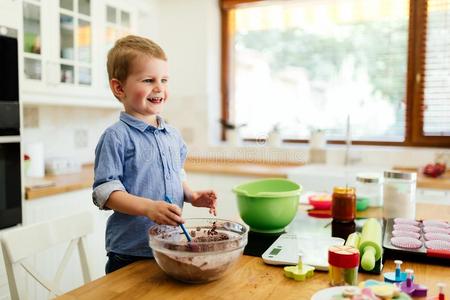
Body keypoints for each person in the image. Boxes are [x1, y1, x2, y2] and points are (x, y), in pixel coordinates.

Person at [92, 35, 217, 274]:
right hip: (131, 252)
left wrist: (191, 195)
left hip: (169, 245)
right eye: (148, 80)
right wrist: (148, 208)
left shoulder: (172, 134)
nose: (159, 88)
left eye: (164, 80)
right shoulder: (116, 136)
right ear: (119, 88)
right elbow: (105, 192)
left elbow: (176, 172)